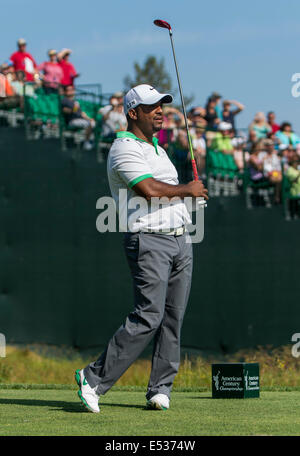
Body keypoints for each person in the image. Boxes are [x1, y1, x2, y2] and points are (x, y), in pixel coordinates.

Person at [74, 84, 208, 413]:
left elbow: (173, 191)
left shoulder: (159, 151)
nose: (160, 110)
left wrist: (192, 193)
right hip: (149, 239)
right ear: (133, 113)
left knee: (173, 318)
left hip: (180, 239)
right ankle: (92, 378)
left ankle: (160, 388)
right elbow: (148, 190)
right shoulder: (123, 148)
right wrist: (188, 190)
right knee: (148, 315)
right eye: (152, 107)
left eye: (162, 105)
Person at [61, 85, 95, 150]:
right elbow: (65, 110)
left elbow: (82, 113)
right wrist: (74, 109)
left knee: (93, 123)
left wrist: (89, 119)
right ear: (65, 92)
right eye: (69, 90)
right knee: (89, 124)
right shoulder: (64, 100)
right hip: (72, 121)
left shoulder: (75, 102)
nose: (71, 92)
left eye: (72, 90)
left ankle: (90, 142)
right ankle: (86, 143)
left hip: (80, 120)